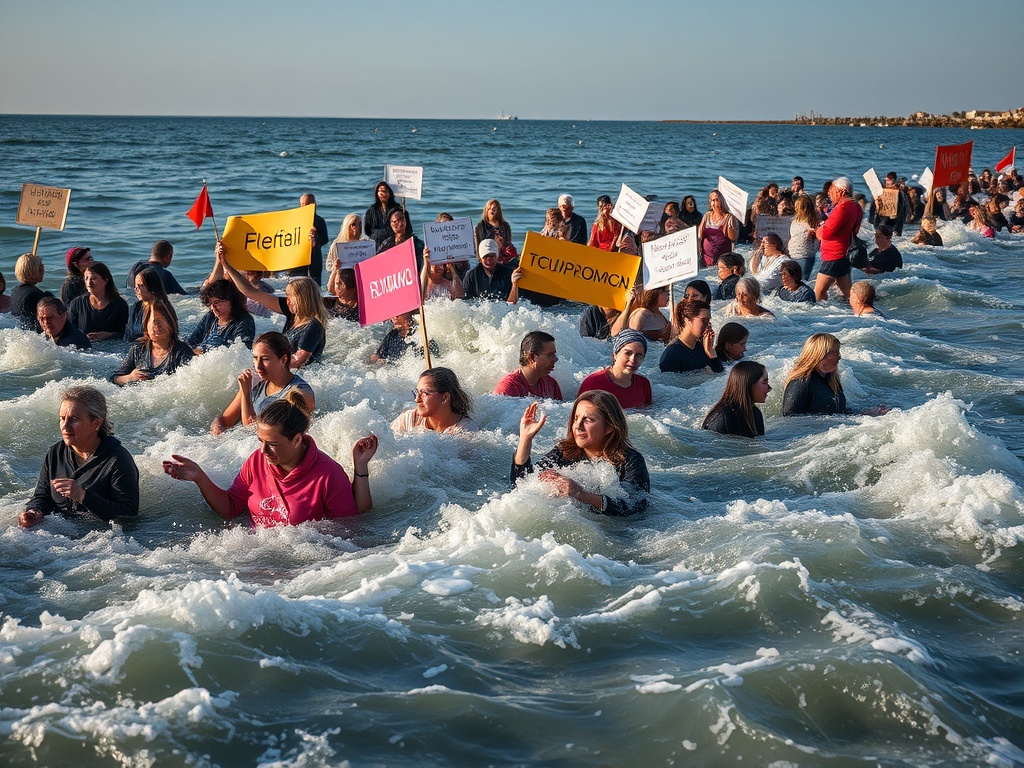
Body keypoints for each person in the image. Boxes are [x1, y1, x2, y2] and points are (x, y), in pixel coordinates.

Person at [164, 392, 377, 527]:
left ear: (296, 440)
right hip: (256, 554)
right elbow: (230, 509)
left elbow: (349, 532)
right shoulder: (256, 461)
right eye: (260, 441)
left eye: (272, 444)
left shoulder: (328, 475)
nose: (263, 450)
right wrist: (201, 478)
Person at [19, 385, 139, 528]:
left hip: (100, 539)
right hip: (57, 536)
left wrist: (82, 495)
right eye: (62, 418)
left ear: (97, 423)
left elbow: (129, 515)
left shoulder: (118, 460)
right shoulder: (55, 453)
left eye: (74, 419)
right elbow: (41, 497)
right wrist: (35, 511)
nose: (65, 426)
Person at [511, 392, 649, 516]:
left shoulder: (630, 460)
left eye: (588, 420)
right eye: (576, 418)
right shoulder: (563, 452)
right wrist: (525, 439)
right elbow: (522, 485)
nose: (578, 425)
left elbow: (634, 506)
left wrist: (580, 494)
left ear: (609, 427)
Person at [217, 244, 328, 368]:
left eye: (291, 296)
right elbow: (251, 292)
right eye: (287, 296)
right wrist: (226, 265)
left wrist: (264, 363)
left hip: (305, 376)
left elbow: (297, 362)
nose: (287, 300)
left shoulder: (313, 327)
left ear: (304, 299)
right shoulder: (292, 313)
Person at [212, 331, 315, 435]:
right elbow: (225, 421)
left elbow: (257, 432)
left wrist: (246, 393)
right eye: (255, 359)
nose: (258, 366)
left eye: (265, 359)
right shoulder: (256, 381)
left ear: (283, 359)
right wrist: (217, 428)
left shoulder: (299, 393)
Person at [782, 333, 888, 417]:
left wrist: (865, 413)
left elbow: (839, 413)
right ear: (820, 355)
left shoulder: (832, 381)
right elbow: (790, 420)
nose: (839, 357)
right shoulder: (801, 382)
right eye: (836, 352)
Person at [111, 300, 194, 385]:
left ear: (172, 325)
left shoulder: (182, 352)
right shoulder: (138, 349)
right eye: (153, 323)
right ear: (146, 327)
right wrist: (130, 377)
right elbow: (115, 378)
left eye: (161, 322)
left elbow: (189, 383)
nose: (156, 327)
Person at [578, 330, 652, 409]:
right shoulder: (593, 383)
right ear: (615, 355)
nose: (633, 360)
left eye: (639, 355)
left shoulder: (644, 384)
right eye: (628, 353)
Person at [814, 177, 861, 301]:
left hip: (834, 255)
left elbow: (827, 233)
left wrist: (818, 230)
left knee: (818, 292)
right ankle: (861, 307)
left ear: (842, 192)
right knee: (848, 293)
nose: (829, 194)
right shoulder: (856, 206)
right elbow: (855, 230)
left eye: (832, 191)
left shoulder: (842, 208)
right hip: (844, 253)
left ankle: (821, 315)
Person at [392, 367, 478, 434]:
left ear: (445, 398)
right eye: (417, 392)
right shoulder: (409, 419)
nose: (417, 399)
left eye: (424, 393)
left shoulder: (466, 432)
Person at [701, 361, 771, 438]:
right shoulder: (723, 417)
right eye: (764, 382)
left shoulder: (756, 413)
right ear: (748, 384)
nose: (770, 388)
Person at [187, 279, 256, 353]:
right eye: (210, 303)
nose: (213, 307)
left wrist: (201, 354)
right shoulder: (211, 316)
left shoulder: (244, 322)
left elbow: (239, 352)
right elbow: (192, 341)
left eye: (216, 303)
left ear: (231, 301)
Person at [67, 262, 129, 342]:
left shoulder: (119, 305)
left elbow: (125, 334)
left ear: (105, 280)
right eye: (86, 278)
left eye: (93, 278)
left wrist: (107, 335)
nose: (89, 283)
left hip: (111, 350)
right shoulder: (77, 303)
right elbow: (70, 331)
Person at [660, 299, 724, 373]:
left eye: (709, 321)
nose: (708, 325)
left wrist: (710, 352)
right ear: (688, 321)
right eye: (704, 321)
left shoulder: (699, 346)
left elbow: (718, 376)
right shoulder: (673, 353)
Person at [495, 331, 563, 400]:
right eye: (549, 355)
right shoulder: (508, 387)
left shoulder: (551, 384)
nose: (555, 359)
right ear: (532, 357)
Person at [462, 239, 522, 303]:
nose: (489, 260)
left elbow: (512, 306)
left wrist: (514, 284)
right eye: (485, 256)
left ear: (497, 256)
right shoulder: (471, 276)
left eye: (492, 256)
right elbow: (467, 303)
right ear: (480, 258)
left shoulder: (509, 274)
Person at [371, 311, 438, 363]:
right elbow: (379, 355)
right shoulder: (392, 335)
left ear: (411, 313)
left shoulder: (423, 334)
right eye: (392, 312)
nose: (394, 317)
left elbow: (434, 361)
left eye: (399, 312)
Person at [125, 267, 172, 342]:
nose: (136, 289)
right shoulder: (135, 307)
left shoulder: (162, 309)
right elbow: (128, 335)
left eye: (141, 286)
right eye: (135, 285)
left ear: (152, 287)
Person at [293, 192, 329, 285]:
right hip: (298, 258)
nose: (304, 207)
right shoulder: (294, 220)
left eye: (307, 204)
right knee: (297, 284)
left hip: (315, 257)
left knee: (315, 284)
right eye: (302, 204)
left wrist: (315, 239)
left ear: (314, 205)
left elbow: (324, 239)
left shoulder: (319, 221)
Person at [10, 253, 51, 332]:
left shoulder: (15, 292)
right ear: (33, 270)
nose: (43, 269)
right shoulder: (36, 295)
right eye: (40, 266)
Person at [697, 190, 738, 266]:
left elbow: (733, 238)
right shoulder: (707, 215)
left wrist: (729, 227)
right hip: (706, 258)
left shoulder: (729, 217)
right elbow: (700, 235)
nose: (715, 203)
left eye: (717, 200)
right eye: (713, 200)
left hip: (723, 260)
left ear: (722, 202)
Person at [789, 193, 820, 280]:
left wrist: (811, 230)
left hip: (805, 256)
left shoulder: (812, 222)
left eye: (797, 207)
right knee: (793, 280)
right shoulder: (796, 220)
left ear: (803, 208)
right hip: (793, 254)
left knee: (801, 280)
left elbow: (815, 236)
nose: (795, 208)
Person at [365, 181, 400, 249]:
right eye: (381, 190)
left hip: (393, 243)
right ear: (377, 193)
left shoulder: (397, 209)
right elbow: (367, 230)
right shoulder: (372, 210)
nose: (384, 193)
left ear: (390, 192)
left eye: (386, 190)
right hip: (376, 243)